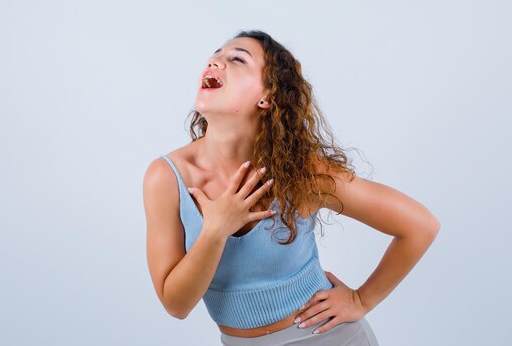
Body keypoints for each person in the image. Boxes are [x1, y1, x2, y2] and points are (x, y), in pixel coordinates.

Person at [143, 30, 440, 345]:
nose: (216, 60)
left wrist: (361, 300)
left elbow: (420, 226)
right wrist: (215, 231)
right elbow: (176, 305)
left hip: (329, 337)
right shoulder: (166, 178)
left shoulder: (301, 173)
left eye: (237, 58)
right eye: (216, 54)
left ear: (267, 96)